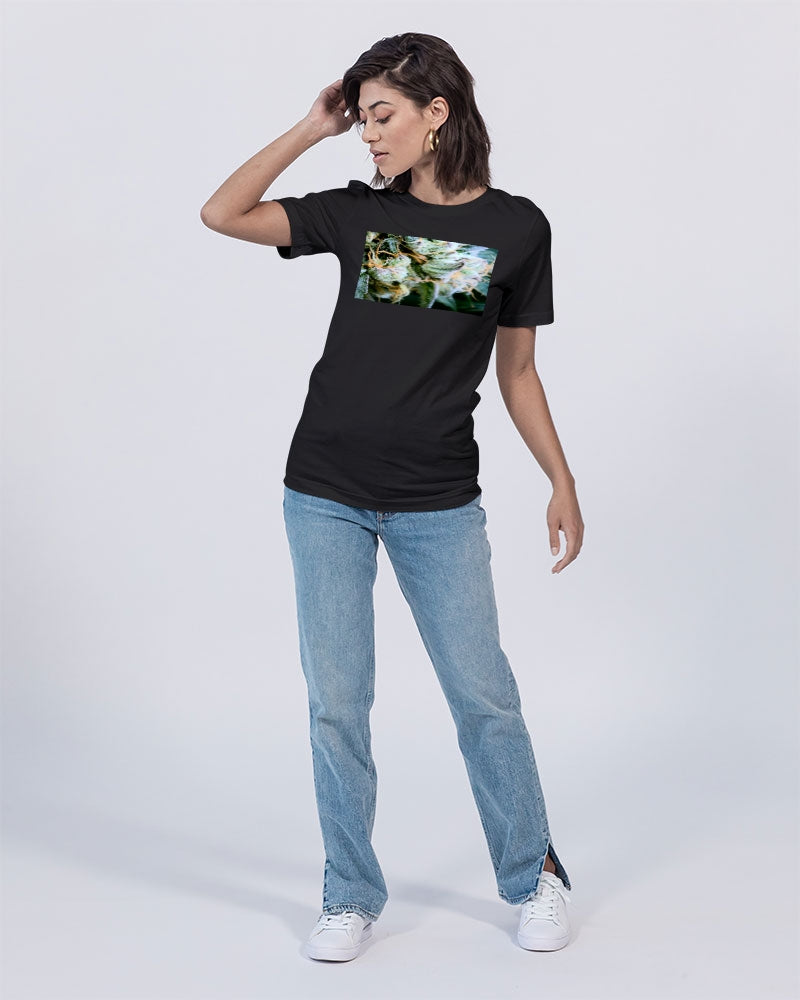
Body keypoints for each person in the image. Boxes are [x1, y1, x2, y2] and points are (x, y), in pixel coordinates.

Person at [201, 32, 584, 963]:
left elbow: (518, 372)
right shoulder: (355, 214)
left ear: (436, 113)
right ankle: (348, 892)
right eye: (362, 117)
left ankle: (533, 874)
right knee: (337, 704)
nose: (368, 134)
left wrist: (561, 478)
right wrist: (314, 125)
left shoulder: (517, 228)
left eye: (382, 117)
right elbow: (222, 212)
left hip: (438, 502)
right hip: (324, 493)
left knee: (483, 696)